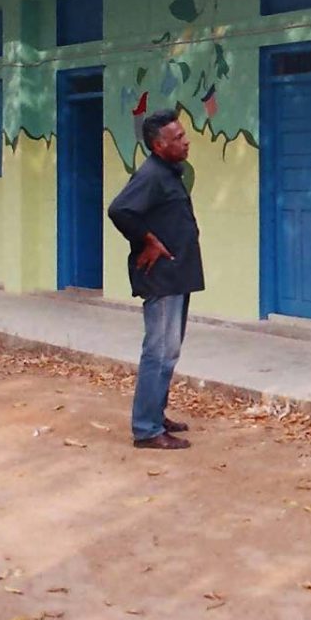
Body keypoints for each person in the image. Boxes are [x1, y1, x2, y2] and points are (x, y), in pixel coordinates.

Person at [107, 109, 204, 450]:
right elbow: (119, 210)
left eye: (183, 134)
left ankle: (155, 414)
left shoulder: (168, 172)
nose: (185, 141)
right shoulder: (151, 175)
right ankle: (146, 429)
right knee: (158, 352)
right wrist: (147, 240)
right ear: (159, 145)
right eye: (178, 138)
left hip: (177, 275)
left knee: (170, 351)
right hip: (162, 278)